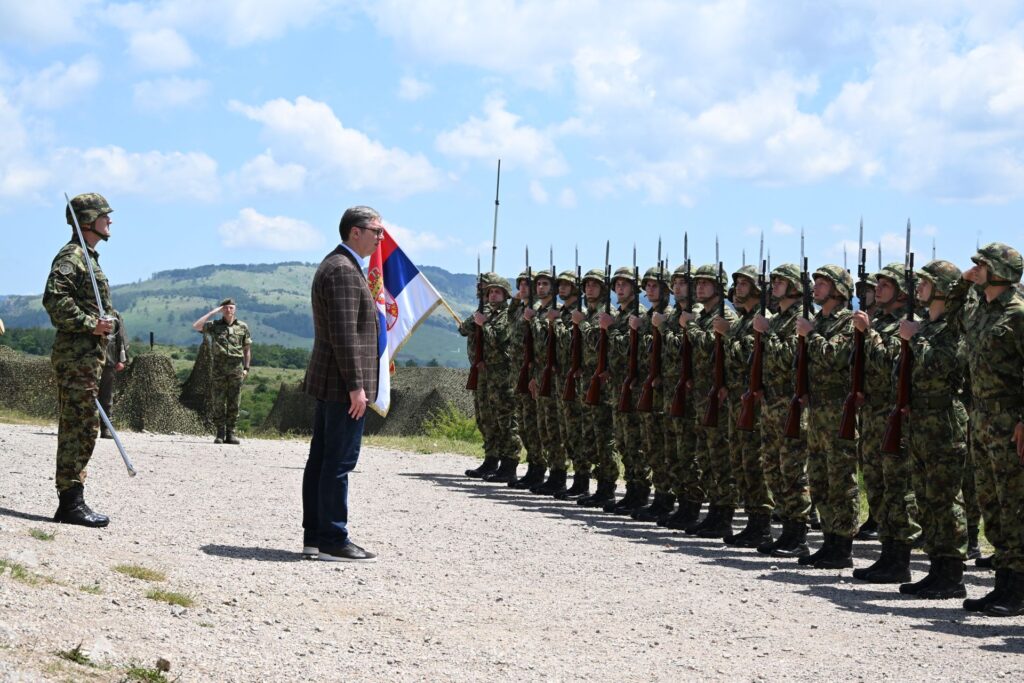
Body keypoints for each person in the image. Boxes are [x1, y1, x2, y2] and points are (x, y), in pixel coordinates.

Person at [300, 205, 383, 563]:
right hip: (341, 384)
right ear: (355, 232)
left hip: (334, 380)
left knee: (322, 459)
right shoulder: (344, 271)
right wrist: (356, 385)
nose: (381, 237)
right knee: (338, 462)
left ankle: (316, 537)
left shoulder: (339, 266)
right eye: (376, 230)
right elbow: (345, 335)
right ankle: (333, 537)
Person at [896, 260, 970, 600]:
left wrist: (916, 339)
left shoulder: (954, 325)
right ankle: (936, 567)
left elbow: (944, 365)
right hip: (921, 418)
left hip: (944, 419)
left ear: (942, 288)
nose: (919, 288)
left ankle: (952, 572)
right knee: (925, 496)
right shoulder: (928, 324)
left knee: (945, 496)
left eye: (925, 282)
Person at [42, 192, 116, 527]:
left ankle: (73, 497)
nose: (109, 220)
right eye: (104, 215)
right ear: (87, 221)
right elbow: (55, 301)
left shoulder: (90, 258)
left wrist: (107, 322)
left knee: (84, 425)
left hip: (88, 358)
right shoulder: (72, 257)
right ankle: (70, 503)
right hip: (75, 357)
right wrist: (91, 324)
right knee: (79, 426)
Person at [960, 243, 1024, 616]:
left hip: (1009, 421)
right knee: (991, 502)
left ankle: (1017, 589)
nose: (976, 269)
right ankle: (1003, 584)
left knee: (1014, 503)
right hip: (981, 418)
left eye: (982, 265)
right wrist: (960, 284)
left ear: (1000, 270)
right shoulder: (980, 311)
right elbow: (951, 314)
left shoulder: (1017, 313)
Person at [850, 263, 921, 584]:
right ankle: (887, 552)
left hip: (894, 415)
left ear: (901, 292)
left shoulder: (906, 325)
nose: (877, 288)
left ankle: (900, 558)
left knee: (897, 489)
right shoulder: (878, 322)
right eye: (876, 283)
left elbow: (893, 364)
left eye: (885, 284)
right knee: (876, 485)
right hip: (873, 415)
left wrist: (870, 334)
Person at [795, 265, 859, 569]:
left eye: (823, 283)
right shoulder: (817, 321)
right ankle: (829, 539)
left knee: (840, 479)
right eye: (815, 283)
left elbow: (836, 358)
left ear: (839, 290)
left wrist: (812, 335)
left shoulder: (846, 323)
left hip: (838, 410)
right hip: (818, 410)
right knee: (819, 478)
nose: (816, 288)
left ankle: (843, 545)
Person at [754, 264, 812, 557]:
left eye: (780, 281)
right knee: (772, 468)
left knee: (792, 471)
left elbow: (790, 358)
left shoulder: (800, 320)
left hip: (791, 406)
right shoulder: (776, 320)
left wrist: (766, 336)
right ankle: (786, 527)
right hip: (772, 405)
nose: (774, 284)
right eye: (773, 280)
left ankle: (797, 533)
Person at [680, 263, 738, 538]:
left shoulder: (725, 317)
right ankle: (713, 511)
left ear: (719, 287)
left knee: (719, 456)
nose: (699, 287)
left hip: (718, 397)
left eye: (706, 283)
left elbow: (707, 349)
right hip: (702, 395)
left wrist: (689, 328)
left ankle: (723, 514)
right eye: (698, 283)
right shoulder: (703, 316)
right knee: (705, 455)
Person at [723, 264, 775, 547]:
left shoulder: (763, 320)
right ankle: (753, 520)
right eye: (738, 282)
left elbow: (751, 358)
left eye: (745, 283)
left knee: (756, 462)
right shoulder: (744, 320)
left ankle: (762, 524)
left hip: (756, 402)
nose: (738, 287)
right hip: (738, 400)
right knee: (742, 462)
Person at [458, 273, 523, 484]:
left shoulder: (508, 314)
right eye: (490, 292)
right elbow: (463, 329)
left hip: (501, 375)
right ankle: (491, 458)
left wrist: (484, 324)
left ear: (505, 295)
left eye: (497, 292)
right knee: (485, 418)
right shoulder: (484, 312)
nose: (493, 295)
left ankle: (509, 463)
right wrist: (480, 313)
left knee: (505, 419)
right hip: (483, 375)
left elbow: (500, 339)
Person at [192, 299, 252, 444]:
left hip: (236, 368)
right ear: (222, 310)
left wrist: (246, 368)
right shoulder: (214, 326)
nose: (228, 310)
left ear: (235, 309)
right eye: (225, 308)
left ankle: (231, 433)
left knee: (234, 402)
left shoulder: (242, 327)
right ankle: (220, 433)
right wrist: (213, 312)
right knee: (218, 401)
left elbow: (247, 349)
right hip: (218, 369)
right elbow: (196, 326)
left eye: (231, 308)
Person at [98, 311, 129, 439]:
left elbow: (121, 337)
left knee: (106, 397)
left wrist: (122, 358)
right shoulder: (86, 309)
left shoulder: (114, 314)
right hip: (87, 360)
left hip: (108, 360)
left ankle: (106, 428)